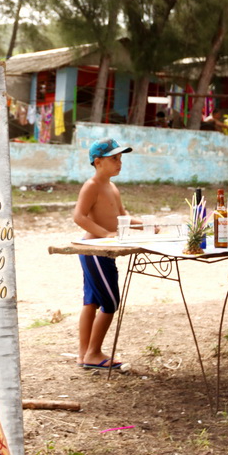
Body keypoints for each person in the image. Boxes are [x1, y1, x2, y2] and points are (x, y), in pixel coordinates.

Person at [73, 137, 133, 372]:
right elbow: (79, 217)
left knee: (92, 301)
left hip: (103, 251)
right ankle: (94, 353)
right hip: (95, 251)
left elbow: (122, 216)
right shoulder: (92, 186)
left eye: (120, 158)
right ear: (98, 162)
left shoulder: (112, 187)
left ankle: (84, 353)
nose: (120, 163)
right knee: (110, 302)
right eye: (114, 159)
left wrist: (146, 224)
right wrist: (105, 234)